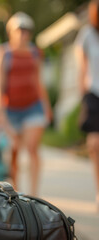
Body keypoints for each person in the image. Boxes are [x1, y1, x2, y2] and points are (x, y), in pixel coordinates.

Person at [0, 12, 52, 196]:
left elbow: (38, 81)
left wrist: (47, 107)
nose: (23, 34)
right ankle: (16, 194)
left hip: (33, 107)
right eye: (19, 30)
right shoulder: (3, 53)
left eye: (26, 30)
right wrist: (0, 115)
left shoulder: (35, 53)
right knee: (14, 153)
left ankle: (33, 195)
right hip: (10, 110)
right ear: (11, 32)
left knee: (32, 148)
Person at [75, 0, 99, 211]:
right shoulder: (88, 35)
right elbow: (82, 66)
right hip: (94, 93)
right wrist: (82, 94)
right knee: (95, 144)